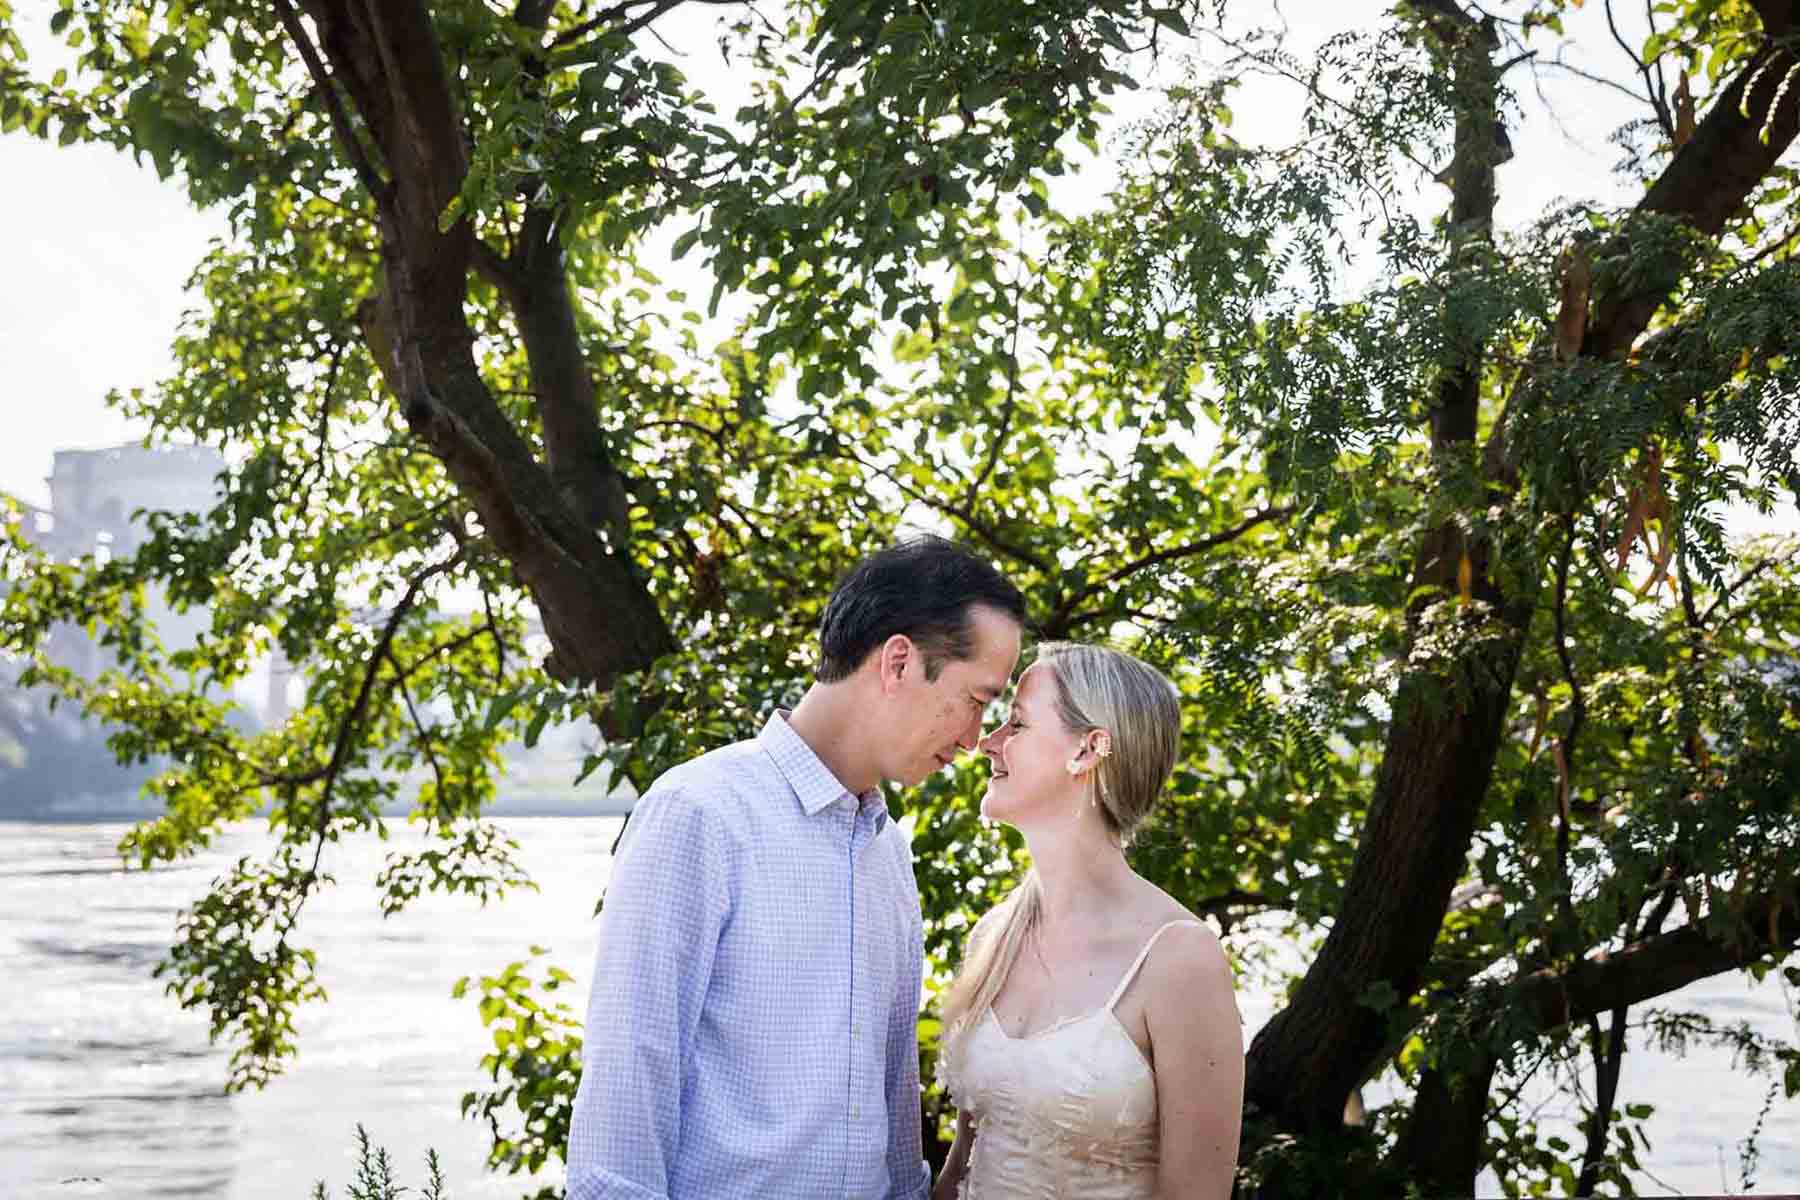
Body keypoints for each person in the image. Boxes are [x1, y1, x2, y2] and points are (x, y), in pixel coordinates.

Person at [566, 536, 1026, 1200]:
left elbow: (893, 1097)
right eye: (977, 698)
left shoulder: (886, 850)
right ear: (898, 661)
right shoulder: (699, 813)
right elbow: (626, 1088)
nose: (980, 734)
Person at [932, 642, 1244, 1200]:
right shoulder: (994, 937)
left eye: (1017, 725)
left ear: (1086, 750)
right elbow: (961, 1170)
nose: (987, 743)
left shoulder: (1178, 959)